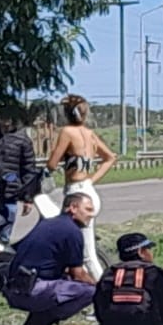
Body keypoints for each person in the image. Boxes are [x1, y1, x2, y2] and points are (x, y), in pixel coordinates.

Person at [4, 192, 98, 325]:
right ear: (73, 207)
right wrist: (101, 286)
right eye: (88, 209)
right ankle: (41, 324)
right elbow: (78, 274)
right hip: (30, 291)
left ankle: (35, 324)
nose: (92, 215)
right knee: (91, 291)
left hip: (14, 287)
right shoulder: (71, 231)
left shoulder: (48, 223)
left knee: (65, 282)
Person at [47, 94, 117, 278]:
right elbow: (110, 158)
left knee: (86, 254)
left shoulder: (67, 132)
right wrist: (92, 179)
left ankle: (104, 289)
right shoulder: (89, 134)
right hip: (87, 189)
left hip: (76, 192)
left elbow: (52, 164)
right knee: (77, 245)